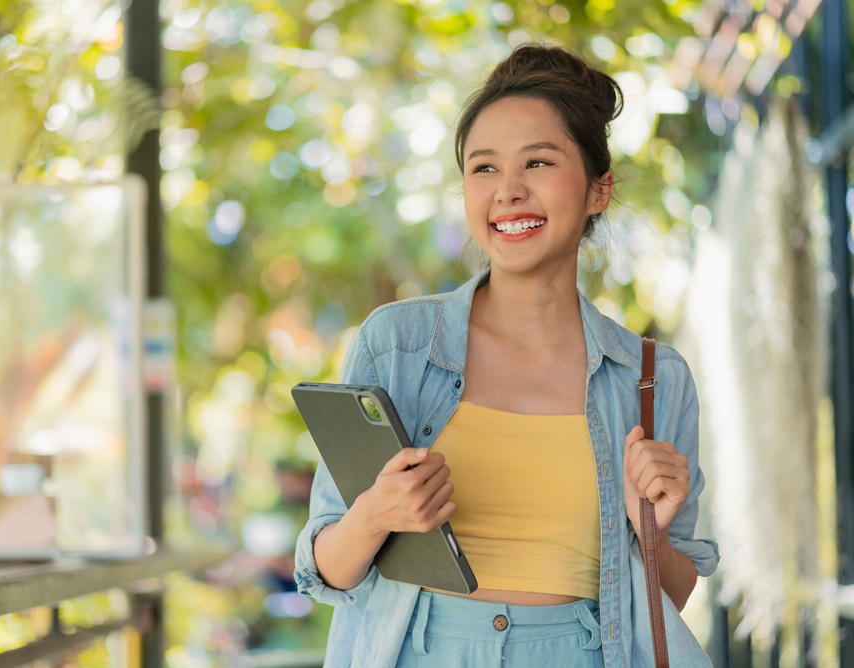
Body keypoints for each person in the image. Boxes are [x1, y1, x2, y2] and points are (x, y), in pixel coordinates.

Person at [294, 44, 720, 667]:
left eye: (539, 162)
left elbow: (670, 602)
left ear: (599, 190)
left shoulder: (653, 379)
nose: (508, 192)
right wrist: (377, 515)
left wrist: (647, 529)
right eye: (484, 168)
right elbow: (323, 571)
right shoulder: (397, 346)